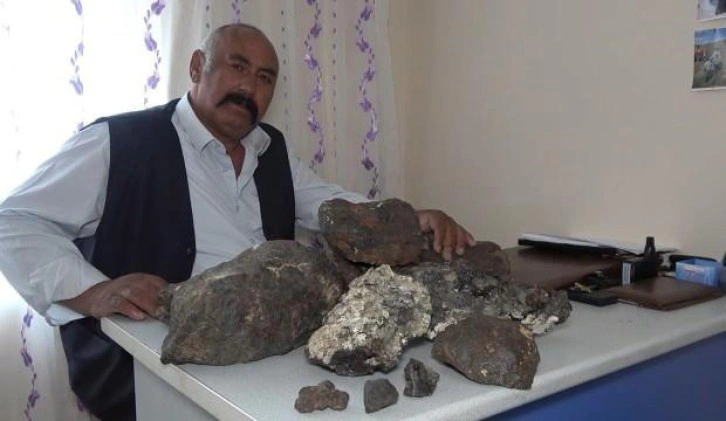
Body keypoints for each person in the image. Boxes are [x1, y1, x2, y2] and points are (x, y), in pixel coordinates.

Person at [0, 23, 474, 420]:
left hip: (268, 360)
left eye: (265, 78)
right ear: (196, 67)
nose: (249, 87)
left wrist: (408, 219)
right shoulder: (118, 141)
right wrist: (93, 290)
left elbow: (329, 203)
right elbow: (15, 222)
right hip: (154, 369)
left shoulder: (271, 150)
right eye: (238, 67)